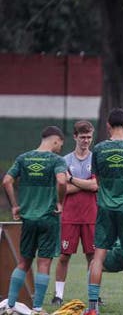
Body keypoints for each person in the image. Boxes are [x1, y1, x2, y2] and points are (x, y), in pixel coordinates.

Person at [85, 108, 123, 315]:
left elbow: (97, 181)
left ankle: (92, 309)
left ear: (108, 125)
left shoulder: (99, 150)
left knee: (98, 256)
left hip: (104, 207)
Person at [2, 126, 67, 315]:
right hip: (48, 218)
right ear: (56, 140)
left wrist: (14, 205)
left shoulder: (23, 158)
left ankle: (10, 305)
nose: (60, 149)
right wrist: (60, 202)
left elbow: (7, 180)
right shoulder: (57, 160)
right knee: (44, 263)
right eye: (60, 145)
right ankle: (37, 308)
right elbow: (62, 181)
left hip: (28, 218)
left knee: (23, 262)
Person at [52, 121, 98, 306]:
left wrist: (72, 180)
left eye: (89, 137)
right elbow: (62, 188)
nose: (86, 140)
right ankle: (58, 295)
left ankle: (94, 295)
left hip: (91, 215)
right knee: (64, 256)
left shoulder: (96, 159)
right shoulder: (64, 160)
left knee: (92, 257)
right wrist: (84, 184)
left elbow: (96, 186)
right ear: (75, 137)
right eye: (82, 137)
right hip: (69, 215)